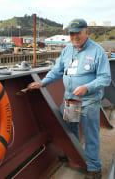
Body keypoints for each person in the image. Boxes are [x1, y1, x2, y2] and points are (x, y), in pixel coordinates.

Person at [28, 18, 111, 179]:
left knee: (90, 135)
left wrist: (87, 87)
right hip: (71, 100)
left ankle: (94, 168)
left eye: (78, 33)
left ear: (86, 32)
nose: (75, 37)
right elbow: (57, 70)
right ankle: (73, 153)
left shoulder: (97, 51)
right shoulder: (67, 51)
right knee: (70, 128)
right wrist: (43, 82)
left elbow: (105, 78)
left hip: (89, 101)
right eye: (72, 34)